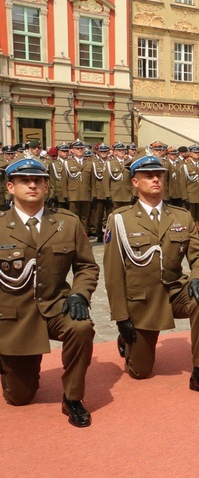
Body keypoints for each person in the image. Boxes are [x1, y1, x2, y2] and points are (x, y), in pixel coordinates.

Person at [103, 153, 199, 400]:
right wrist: (120, 316)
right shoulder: (120, 220)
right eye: (148, 176)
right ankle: (126, 343)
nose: (155, 179)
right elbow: (113, 273)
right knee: (140, 371)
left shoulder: (181, 216)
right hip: (142, 300)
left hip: (174, 292)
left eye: (159, 175)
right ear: (135, 182)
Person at [0, 158, 99, 427]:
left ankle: (73, 397)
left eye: (38, 181)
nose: (32, 185)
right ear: (10, 187)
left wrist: (80, 294)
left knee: (81, 328)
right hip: (13, 316)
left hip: (56, 305)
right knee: (19, 397)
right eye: (24, 181)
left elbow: (87, 267)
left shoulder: (67, 222)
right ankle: (12, 364)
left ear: (46, 186)